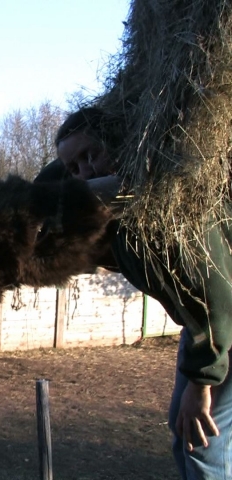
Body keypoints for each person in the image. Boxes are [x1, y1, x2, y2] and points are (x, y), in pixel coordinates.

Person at [35, 107, 232, 479]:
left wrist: (202, 383)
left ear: (118, 141)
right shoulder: (120, 221)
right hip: (204, 328)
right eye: (74, 167)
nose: (86, 171)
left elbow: (218, 303)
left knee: (203, 445)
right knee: (184, 433)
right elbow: (50, 187)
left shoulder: (170, 207)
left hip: (224, 325)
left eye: (91, 154)